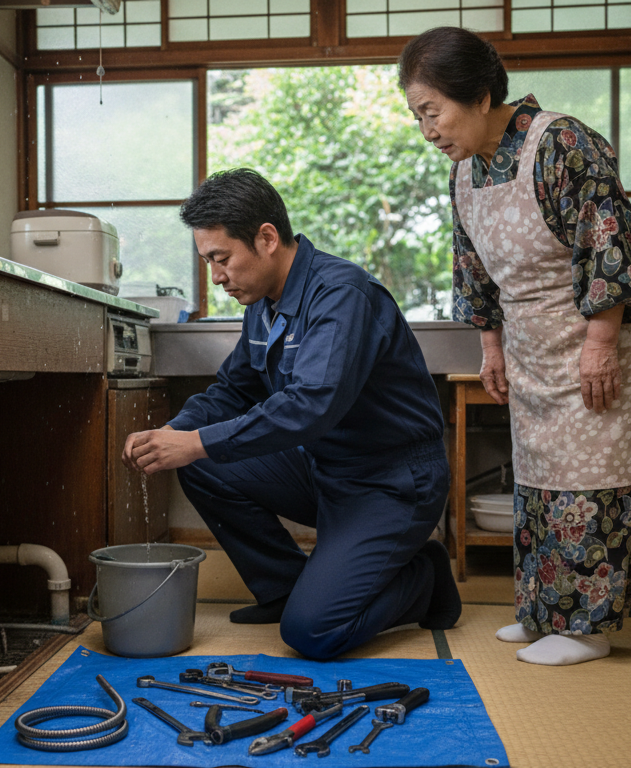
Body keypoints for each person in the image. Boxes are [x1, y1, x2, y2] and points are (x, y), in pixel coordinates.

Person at [398, 27, 631, 666]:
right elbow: (473, 269)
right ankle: (545, 611)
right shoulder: (465, 172)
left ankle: (587, 628)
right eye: (418, 117)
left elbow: (609, 244)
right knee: (540, 478)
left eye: (432, 112)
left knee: (591, 480)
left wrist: (600, 343)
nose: (427, 131)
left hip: (594, 335)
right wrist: (491, 349)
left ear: (480, 96)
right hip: (531, 344)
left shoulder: (563, 143)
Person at [122, 168, 461, 661]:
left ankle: (424, 579)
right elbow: (232, 389)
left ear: (266, 238)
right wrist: (173, 433)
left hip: (391, 482)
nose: (216, 277)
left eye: (222, 259)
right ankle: (286, 588)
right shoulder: (263, 305)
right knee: (200, 463)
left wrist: (195, 441)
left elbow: (310, 406)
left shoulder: (340, 295)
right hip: (325, 469)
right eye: (208, 261)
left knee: (313, 633)